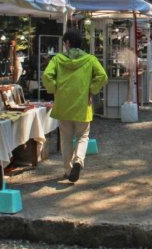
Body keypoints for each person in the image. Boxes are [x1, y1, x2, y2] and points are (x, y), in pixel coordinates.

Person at [42, 30, 108, 182]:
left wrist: (54, 89)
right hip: (83, 104)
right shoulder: (90, 59)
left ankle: (68, 169)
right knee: (83, 136)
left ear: (67, 43)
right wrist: (91, 89)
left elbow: (46, 76)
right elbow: (103, 76)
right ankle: (79, 160)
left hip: (63, 104)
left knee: (65, 138)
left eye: (65, 42)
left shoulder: (58, 59)